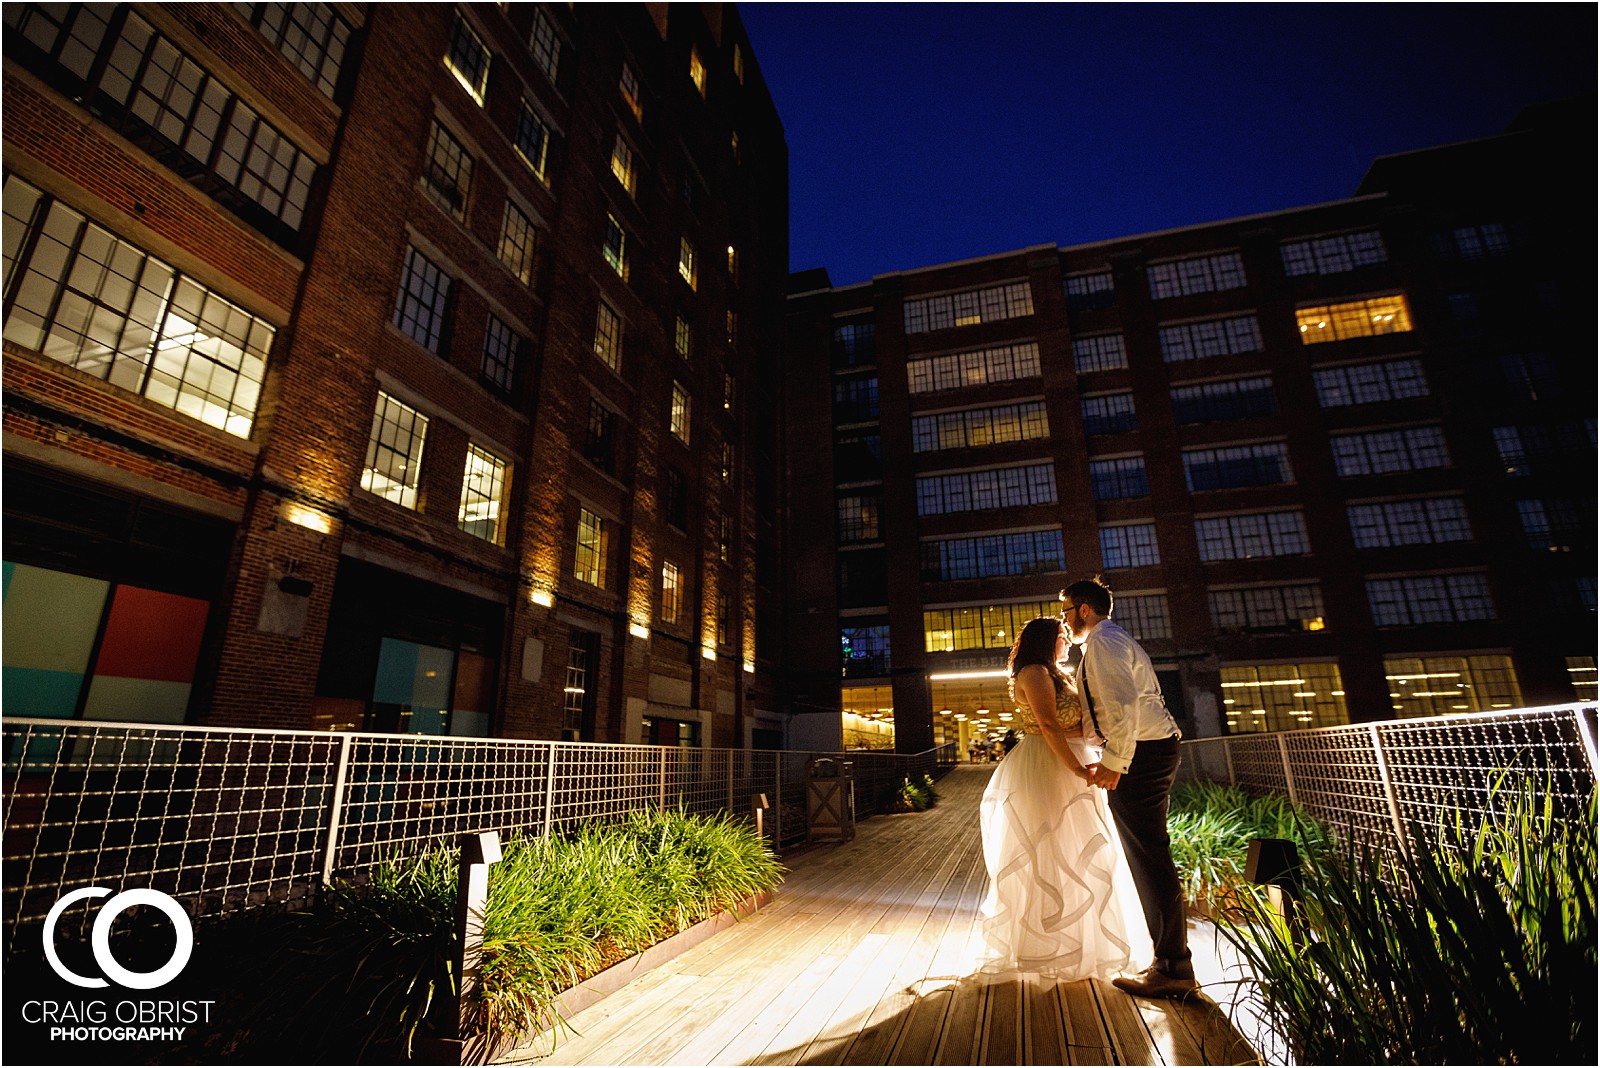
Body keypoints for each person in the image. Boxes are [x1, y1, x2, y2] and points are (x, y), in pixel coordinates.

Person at [974, 615, 1152, 979]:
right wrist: (1073, 767)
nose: (1067, 642)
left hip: (1075, 758)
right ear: (1046, 640)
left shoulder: (1057, 673)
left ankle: (1086, 948)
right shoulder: (1034, 673)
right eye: (1061, 636)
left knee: (1082, 850)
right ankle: (1047, 950)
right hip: (1048, 764)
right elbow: (1049, 724)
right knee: (1051, 852)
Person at [1061, 577, 1198, 999]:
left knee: (1149, 856)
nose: (1063, 620)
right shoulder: (1110, 641)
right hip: (1149, 751)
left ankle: (1173, 969)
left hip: (1142, 755)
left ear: (1084, 609)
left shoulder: (1103, 642)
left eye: (1066, 609)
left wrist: (1116, 763)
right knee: (1150, 853)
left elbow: (1121, 704)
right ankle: (1170, 962)